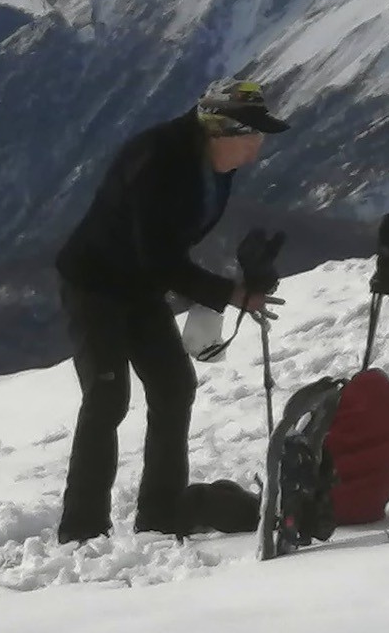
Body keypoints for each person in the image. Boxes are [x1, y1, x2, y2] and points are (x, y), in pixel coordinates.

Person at [53, 79, 289, 544]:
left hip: (138, 286)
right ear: (221, 131)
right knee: (106, 396)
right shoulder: (159, 160)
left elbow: (165, 252)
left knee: (173, 386)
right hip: (94, 284)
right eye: (252, 135)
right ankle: (81, 528)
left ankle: (160, 511)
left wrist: (243, 283)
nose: (258, 146)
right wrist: (229, 293)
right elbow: (157, 255)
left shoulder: (211, 163)